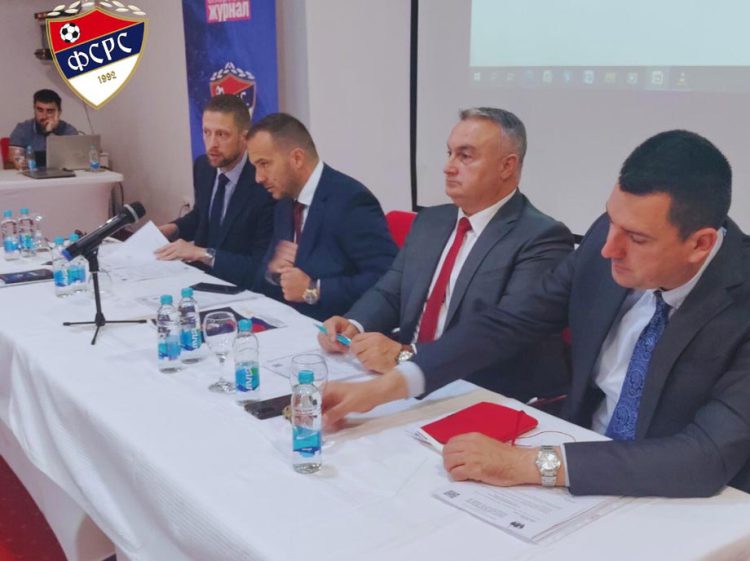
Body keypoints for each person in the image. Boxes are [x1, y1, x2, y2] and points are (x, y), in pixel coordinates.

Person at [322, 129, 750, 498]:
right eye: (611, 221)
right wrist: (392, 385)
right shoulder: (606, 241)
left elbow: (706, 456)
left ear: (700, 244)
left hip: (684, 497)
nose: (608, 249)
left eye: (636, 239)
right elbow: (509, 321)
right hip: (577, 454)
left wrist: (529, 465)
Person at [318, 107, 573, 401]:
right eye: (449, 153)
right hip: (405, 381)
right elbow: (390, 292)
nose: (448, 167)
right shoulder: (431, 220)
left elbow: (504, 338)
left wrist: (405, 355)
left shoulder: (541, 238)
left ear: (507, 166)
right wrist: (354, 324)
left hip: (479, 391)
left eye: (465, 156)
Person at [248, 112, 397, 321]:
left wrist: (314, 289)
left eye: (264, 164)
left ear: (297, 158)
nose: (258, 178)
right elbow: (268, 273)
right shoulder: (284, 201)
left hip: (337, 328)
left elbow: (389, 280)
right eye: (255, 167)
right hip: (289, 321)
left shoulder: (351, 201)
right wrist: (272, 272)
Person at [156, 94, 275, 287]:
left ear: (245, 138)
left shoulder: (264, 183)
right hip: (199, 277)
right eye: (206, 132)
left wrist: (202, 253)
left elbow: (260, 267)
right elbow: (202, 216)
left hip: (239, 286)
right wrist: (173, 229)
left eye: (222, 135)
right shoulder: (204, 166)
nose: (212, 144)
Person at [9, 89, 79, 168]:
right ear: (34, 109)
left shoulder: (69, 131)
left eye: (49, 111)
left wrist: (50, 133)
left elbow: (74, 163)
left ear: (59, 112)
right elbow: (16, 161)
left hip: (61, 174)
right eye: (40, 110)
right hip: (31, 174)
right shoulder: (22, 129)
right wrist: (20, 162)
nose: (44, 116)